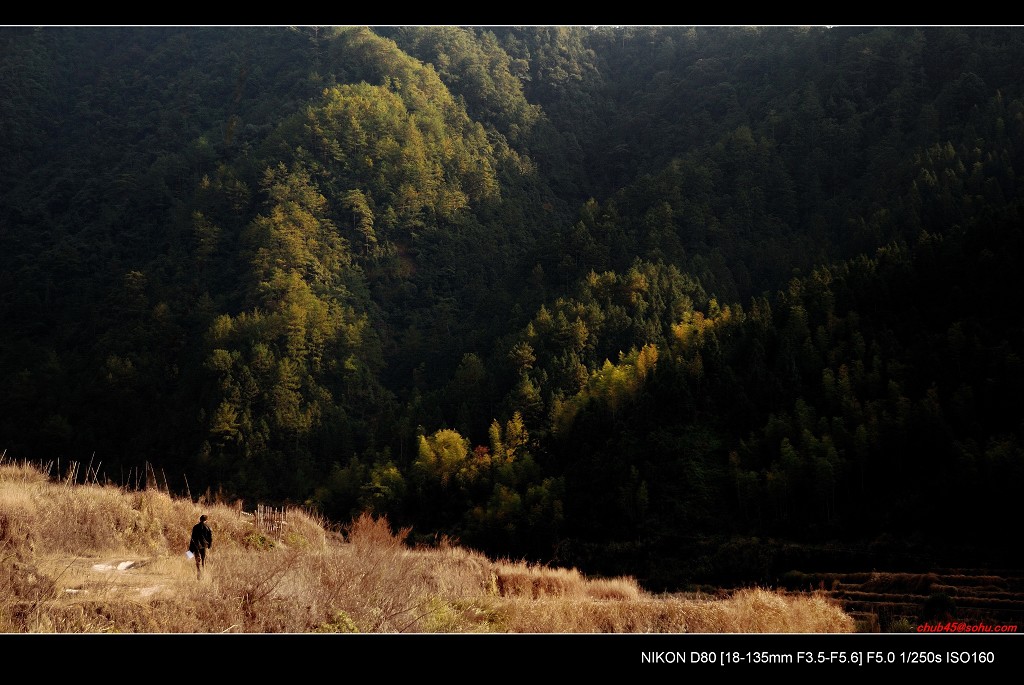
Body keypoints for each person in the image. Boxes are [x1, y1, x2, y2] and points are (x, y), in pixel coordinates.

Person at [189, 514, 213, 579]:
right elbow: (210, 538)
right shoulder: (208, 527)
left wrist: (190, 550)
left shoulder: (195, 527)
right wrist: (209, 546)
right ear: (206, 520)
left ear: (200, 519)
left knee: (197, 560)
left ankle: (199, 574)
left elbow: (192, 538)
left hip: (196, 546)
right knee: (204, 560)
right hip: (205, 546)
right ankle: (204, 574)